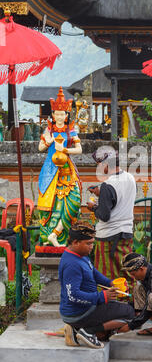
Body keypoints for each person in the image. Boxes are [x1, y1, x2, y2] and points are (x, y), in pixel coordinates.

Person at [58, 221, 135, 349]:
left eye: (92, 243)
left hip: (87, 307)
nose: (91, 246)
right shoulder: (72, 264)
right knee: (130, 314)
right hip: (79, 313)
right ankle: (88, 331)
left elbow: (93, 273)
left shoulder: (81, 256)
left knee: (118, 316)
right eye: (88, 243)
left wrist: (110, 283)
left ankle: (78, 329)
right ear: (76, 242)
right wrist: (102, 297)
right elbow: (72, 296)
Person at [86, 149, 137, 292]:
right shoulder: (130, 178)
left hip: (108, 237)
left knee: (106, 277)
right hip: (126, 233)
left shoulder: (108, 185)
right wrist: (101, 194)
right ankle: (131, 305)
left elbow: (104, 215)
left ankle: (110, 308)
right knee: (127, 273)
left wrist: (93, 207)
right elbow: (122, 199)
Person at [37, 87, 82, 247]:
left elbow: (79, 149)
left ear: (67, 115)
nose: (60, 117)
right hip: (51, 171)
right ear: (53, 115)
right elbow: (40, 148)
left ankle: (59, 234)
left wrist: (66, 150)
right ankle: (51, 237)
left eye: (63, 114)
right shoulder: (48, 130)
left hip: (67, 170)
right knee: (53, 205)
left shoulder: (71, 131)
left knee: (74, 202)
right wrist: (48, 141)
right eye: (57, 114)